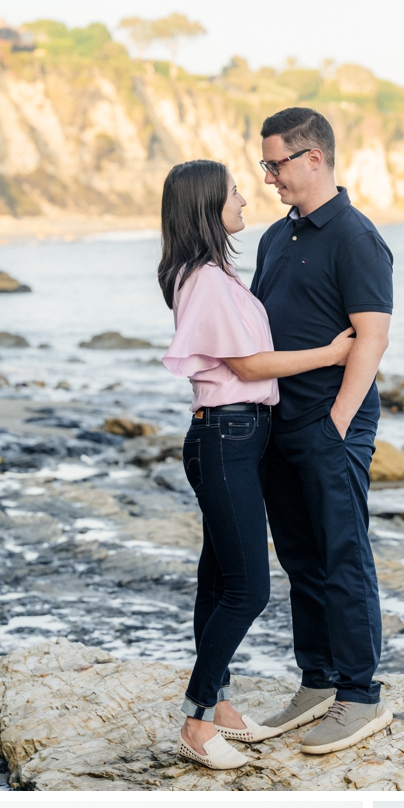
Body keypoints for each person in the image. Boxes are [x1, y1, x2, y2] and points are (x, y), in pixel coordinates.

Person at [159, 159, 356, 770]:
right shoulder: (208, 282)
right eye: (235, 192)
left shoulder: (212, 272)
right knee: (247, 589)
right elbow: (247, 366)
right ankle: (196, 718)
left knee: (218, 579)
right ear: (207, 206)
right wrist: (329, 353)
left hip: (235, 435)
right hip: (228, 434)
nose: (246, 197)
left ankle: (216, 706)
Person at [250, 106, 396, 756]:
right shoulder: (275, 237)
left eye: (276, 163)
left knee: (343, 556)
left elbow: (372, 338)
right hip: (278, 424)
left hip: (330, 424)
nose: (269, 176)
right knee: (301, 559)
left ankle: (361, 695)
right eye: (265, 165)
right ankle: (318, 680)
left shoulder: (356, 236)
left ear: (314, 158)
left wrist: (337, 424)